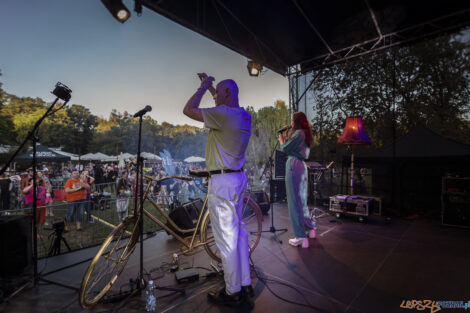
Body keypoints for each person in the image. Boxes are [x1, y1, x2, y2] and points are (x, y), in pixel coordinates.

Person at [183, 73, 253, 307]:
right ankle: (244, 283)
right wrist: (215, 89)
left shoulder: (222, 115)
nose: (214, 99)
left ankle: (232, 291)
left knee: (226, 240)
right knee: (239, 233)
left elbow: (189, 109)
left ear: (226, 94)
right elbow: (222, 102)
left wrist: (203, 86)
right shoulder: (243, 115)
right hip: (237, 178)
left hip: (223, 183)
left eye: (217, 95)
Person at [278, 112, 315, 248]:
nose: (291, 123)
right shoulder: (305, 133)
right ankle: (310, 230)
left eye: (293, 120)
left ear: (297, 121)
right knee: (302, 201)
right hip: (302, 166)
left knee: (294, 202)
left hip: (294, 165)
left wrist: (281, 139)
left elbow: (285, 148)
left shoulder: (298, 133)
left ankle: (300, 237)